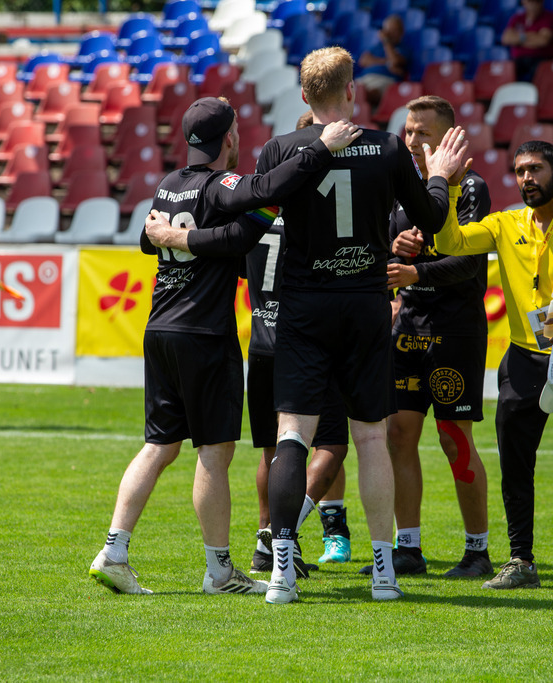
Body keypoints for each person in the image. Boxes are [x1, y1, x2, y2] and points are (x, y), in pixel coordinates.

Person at [88, 97, 361, 596]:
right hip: (203, 334)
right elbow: (265, 191)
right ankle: (219, 572)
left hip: (159, 329)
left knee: (158, 445)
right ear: (228, 139)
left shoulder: (169, 183)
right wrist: (320, 148)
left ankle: (114, 549)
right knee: (214, 452)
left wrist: (180, 235)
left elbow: (153, 242)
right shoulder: (224, 185)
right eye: (235, 130)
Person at [255, 46, 467, 604]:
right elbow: (433, 218)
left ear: (304, 95)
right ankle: (383, 573)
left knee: (292, 436)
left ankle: (279, 572)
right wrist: (441, 175)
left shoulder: (281, 147)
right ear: (352, 90)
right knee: (371, 435)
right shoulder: (389, 146)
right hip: (365, 304)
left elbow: (256, 213)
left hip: (302, 308)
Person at [413, 140, 553, 593]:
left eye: (535, 169)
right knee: (516, 466)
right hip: (522, 360)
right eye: (518, 171)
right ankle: (521, 561)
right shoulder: (504, 224)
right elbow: (448, 242)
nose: (526, 179)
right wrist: (452, 187)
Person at [373, 95, 495, 578]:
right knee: (398, 435)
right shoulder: (399, 186)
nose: (412, 140)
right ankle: (408, 549)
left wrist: (413, 272)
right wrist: (392, 247)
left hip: (455, 330)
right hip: (408, 329)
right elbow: (382, 252)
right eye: (407, 131)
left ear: (448, 137)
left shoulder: (471, 188)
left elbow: (468, 264)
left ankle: (478, 550)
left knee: (453, 437)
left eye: (422, 132)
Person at [245, 111, 353, 575]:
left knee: (272, 450)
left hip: (260, 341)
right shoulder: (317, 220)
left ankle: (265, 538)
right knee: (330, 446)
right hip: (305, 340)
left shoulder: (257, 213)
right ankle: (282, 533)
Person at [500, 0, 553, 82]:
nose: (533, 4)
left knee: (539, 73)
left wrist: (519, 39)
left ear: (542, 2)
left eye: (536, 2)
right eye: (529, 1)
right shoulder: (517, 18)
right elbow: (506, 39)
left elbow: (542, 40)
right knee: (506, 72)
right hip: (518, 59)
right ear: (524, 2)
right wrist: (532, 36)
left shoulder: (549, 17)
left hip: (541, 59)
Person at [356, 14, 408, 108]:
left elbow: (395, 61)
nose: (390, 33)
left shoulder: (404, 48)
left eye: (394, 30)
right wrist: (387, 62)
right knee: (346, 89)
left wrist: (386, 42)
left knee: (367, 93)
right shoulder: (378, 47)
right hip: (364, 78)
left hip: (386, 80)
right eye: (388, 30)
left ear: (401, 32)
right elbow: (363, 61)